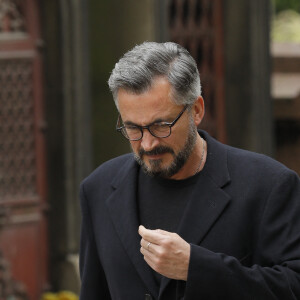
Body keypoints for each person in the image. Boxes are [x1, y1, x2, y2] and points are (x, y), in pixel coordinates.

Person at [79, 42, 300, 300]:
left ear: (196, 110)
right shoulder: (97, 189)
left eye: (161, 125)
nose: (148, 144)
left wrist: (196, 267)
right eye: (133, 129)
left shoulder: (269, 184)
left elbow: (293, 286)